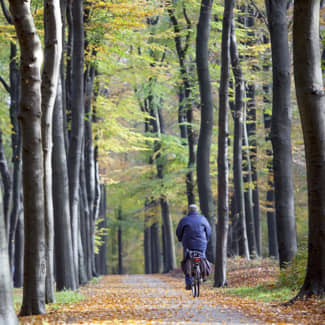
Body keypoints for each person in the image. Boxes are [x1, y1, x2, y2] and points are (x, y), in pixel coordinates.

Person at [176, 204, 211, 290]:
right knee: (203, 257)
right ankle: (204, 274)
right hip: (201, 243)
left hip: (188, 244)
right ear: (197, 210)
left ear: (189, 210)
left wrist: (180, 238)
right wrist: (206, 239)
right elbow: (209, 231)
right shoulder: (203, 219)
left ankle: (188, 282)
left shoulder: (184, 220)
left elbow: (178, 231)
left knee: (187, 259)